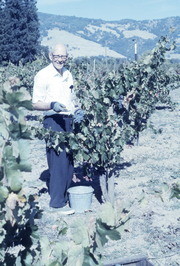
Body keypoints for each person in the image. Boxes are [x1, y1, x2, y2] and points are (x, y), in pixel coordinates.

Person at [32, 43, 76, 215]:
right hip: (52, 120)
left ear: (67, 57)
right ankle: (57, 202)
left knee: (69, 160)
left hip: (68, 119)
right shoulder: (42, 75)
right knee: (58, 161)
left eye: (63, 56)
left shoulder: (68, 74)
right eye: (57, 56)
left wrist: (77, 109)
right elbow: (35, 104)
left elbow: (72, 97)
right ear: (50, 56)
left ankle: (65, 196)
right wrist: (51, 105)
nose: (60, 59)